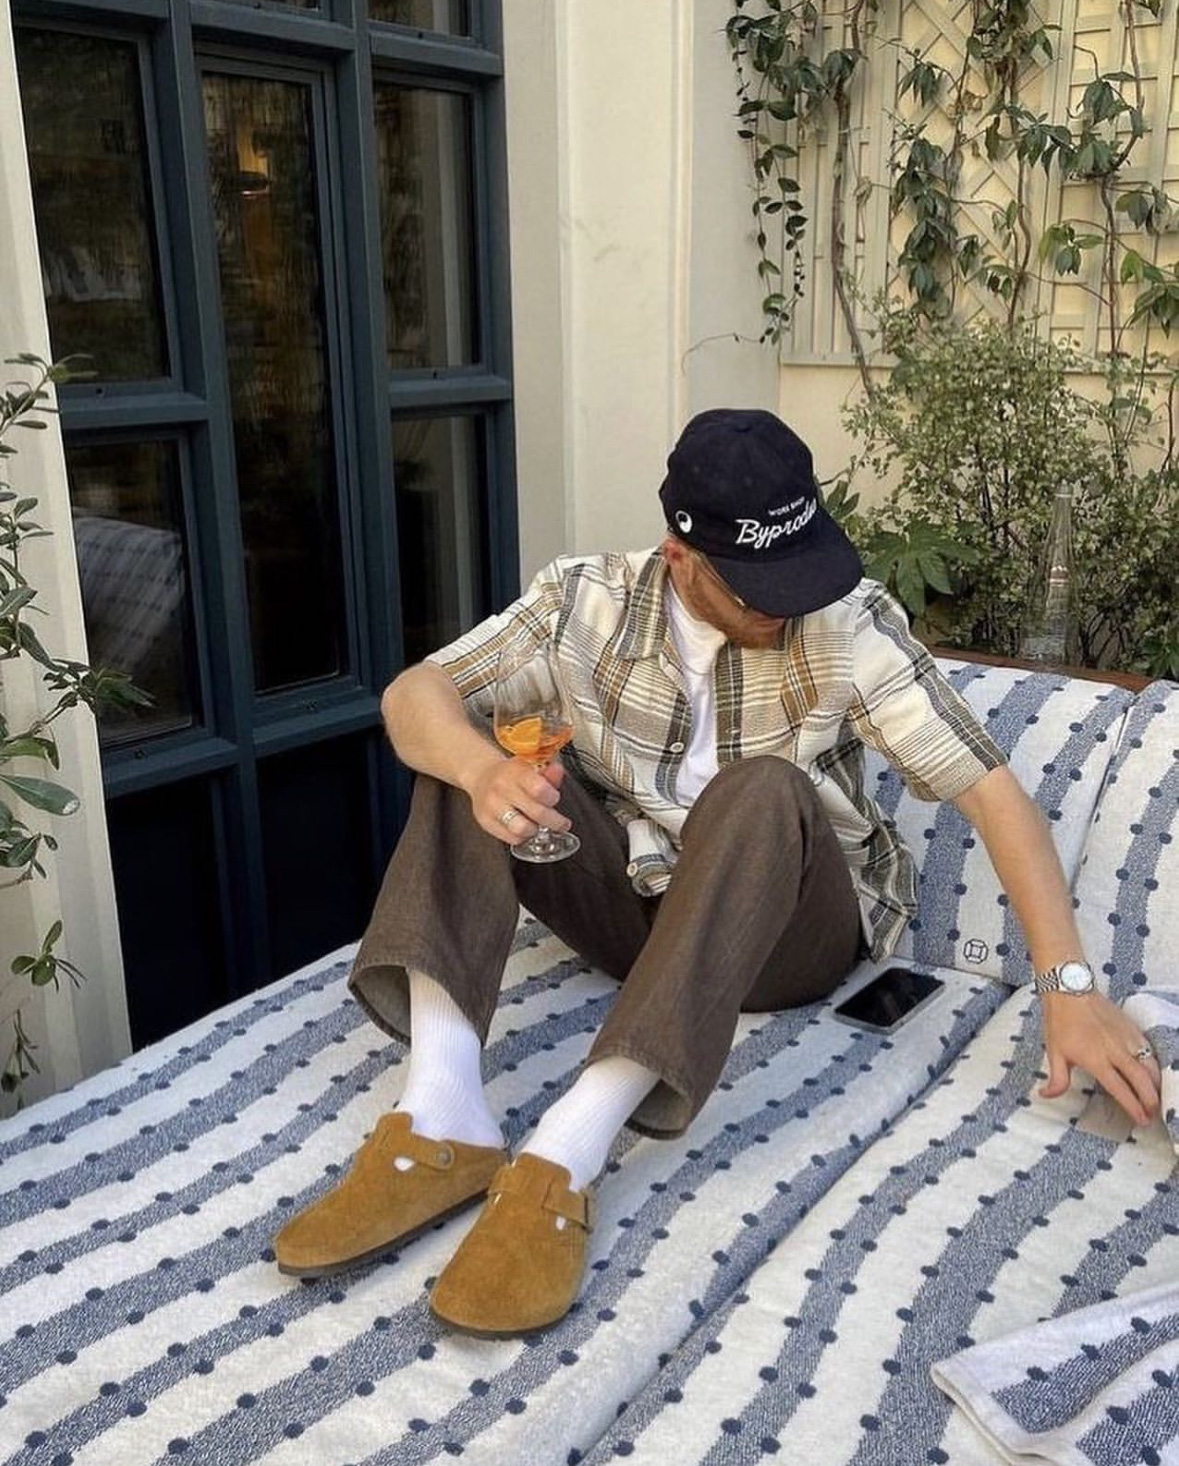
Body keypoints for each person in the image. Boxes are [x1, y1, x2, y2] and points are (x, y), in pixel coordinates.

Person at [273, 408, 1161, 1336]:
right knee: (465, 758)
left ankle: (566, 1150)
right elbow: (414, 692)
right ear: (679, 557)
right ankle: (441, 1114)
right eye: (755, 588)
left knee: (763, 787)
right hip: (635, 908)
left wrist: (1066, 987)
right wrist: (481, 769)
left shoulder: (848, 626)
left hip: (787, 933)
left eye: (799, 574)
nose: (782, 607)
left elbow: (990, 791)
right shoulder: (583, 600)